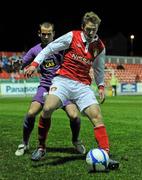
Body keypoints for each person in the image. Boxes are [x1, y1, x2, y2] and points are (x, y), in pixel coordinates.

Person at [25, 12, 119, 170]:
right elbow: (49, 49)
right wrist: (35, 64)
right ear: (83, 27)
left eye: (94, 29)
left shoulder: (100, 46)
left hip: (82, 86)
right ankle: (41, 148)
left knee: (96, 115)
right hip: (63, 81)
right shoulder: (72, 36)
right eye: (88, 29)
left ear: (97, 29)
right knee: (47, 108)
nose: (91, 32)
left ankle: (105, 155)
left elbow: (98, 69)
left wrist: (101, 86)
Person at [15, 22, 86, 156]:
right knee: (31, 113)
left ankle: (76, 140)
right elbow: (23, 63)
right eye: (43, 34)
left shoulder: (62, 47)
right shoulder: (35, 50)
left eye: (49, 34)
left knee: (74, 115)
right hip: (46, 86)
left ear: (54, 34)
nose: (46, 36)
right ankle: (24, 143)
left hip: (63, 85)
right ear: (39, 34)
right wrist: (19, 64)